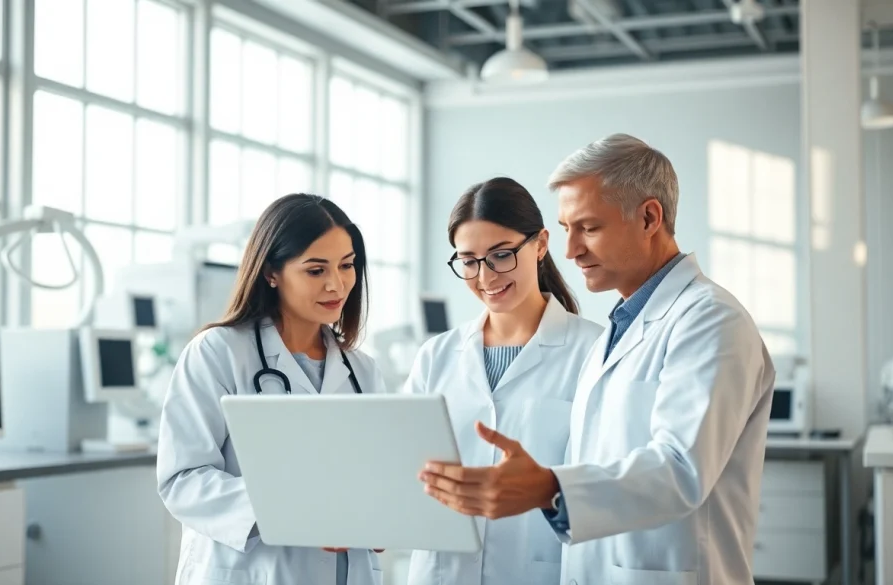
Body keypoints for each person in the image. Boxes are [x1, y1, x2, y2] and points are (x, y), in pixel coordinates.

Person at [419, 134, 775, 585]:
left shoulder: (711, 320)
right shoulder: (619, 329)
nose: (571, 252)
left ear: (649, 217)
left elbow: (681, 470)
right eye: (568, 229)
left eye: (588, 228)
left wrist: (549, 487)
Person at [156, 194, 387, 585]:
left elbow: (377, 477)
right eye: (316, 270)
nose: (337, 284)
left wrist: (387, 514)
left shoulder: (361, 371)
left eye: (347, 265)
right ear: (271, 273)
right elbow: (183, 479)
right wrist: (291, 509)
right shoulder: (219, 352)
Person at [404, 177, 604, 585]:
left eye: (501, 255)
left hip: (539, 570)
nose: (486, 276)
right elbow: (403, 467)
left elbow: (604, 483)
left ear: (542, 244)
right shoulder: (436, 357)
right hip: (443, 571)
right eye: (469, 260)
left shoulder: (593, 351)